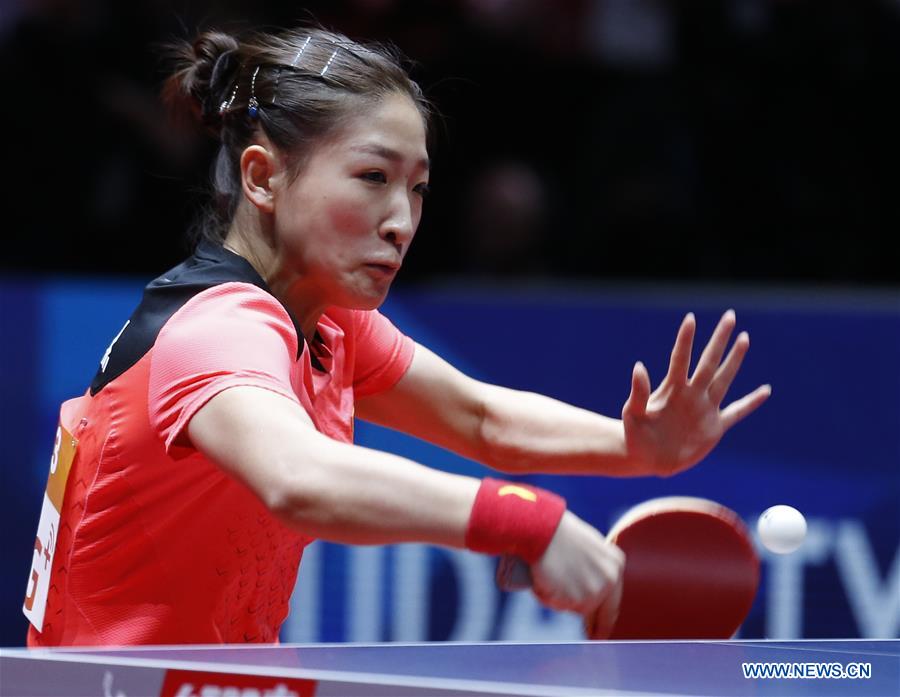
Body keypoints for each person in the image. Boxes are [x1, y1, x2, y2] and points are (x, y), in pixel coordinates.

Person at [24, 26, 770, 646]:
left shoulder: (328, 325)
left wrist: (638, 446)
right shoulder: (215, 326)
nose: (402, 221)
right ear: (262, 177)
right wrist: (527, 521)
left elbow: (480, 417)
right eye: (372, 177)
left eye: (416, 188)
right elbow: (300, 478)